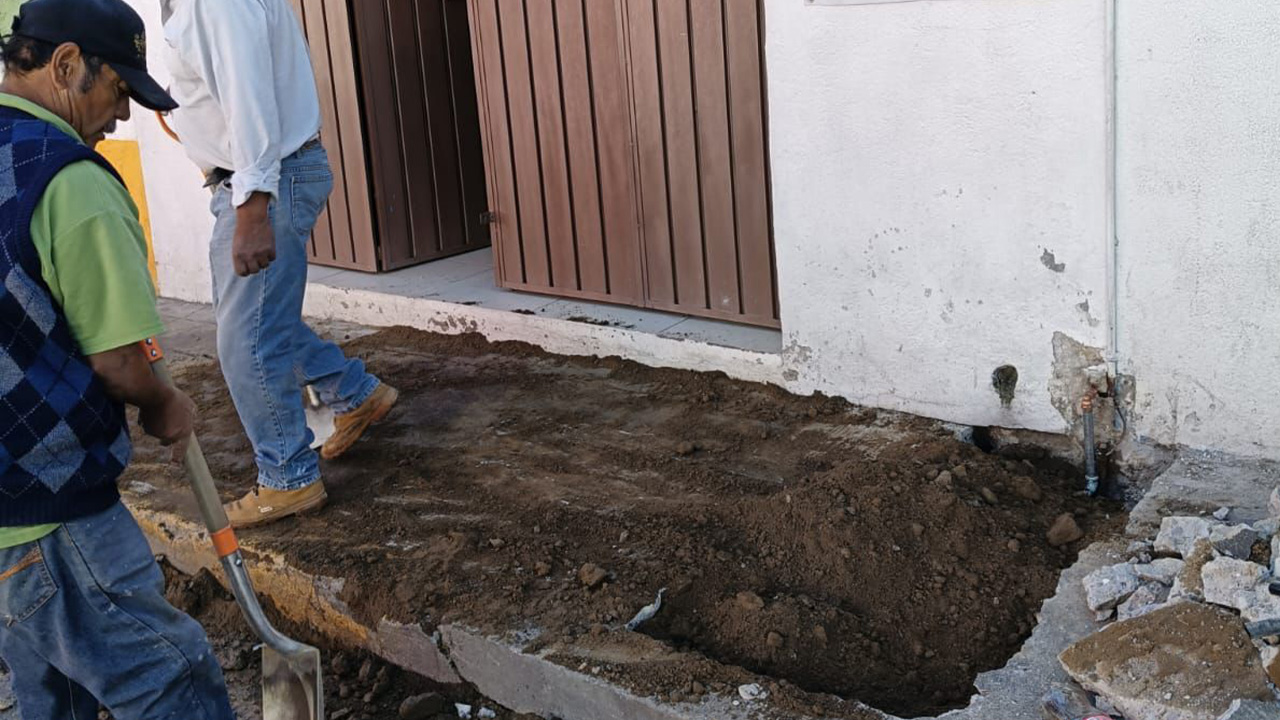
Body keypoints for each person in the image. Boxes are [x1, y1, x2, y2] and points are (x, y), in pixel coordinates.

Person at [0, 0, 235, 717]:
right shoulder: (74, 184)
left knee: (55, 694)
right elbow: (119, 361)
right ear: (66, 65)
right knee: (171, 676)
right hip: (51, 504)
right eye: (119, 91)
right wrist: (166, 403)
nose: (124, 117)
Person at [162, 0, 398, 529]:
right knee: (261, 324)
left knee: (244, 340)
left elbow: (250, 101)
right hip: (266, 175)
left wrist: (251, 206)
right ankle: (355, 392)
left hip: (264, 180)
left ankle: (288, 478)